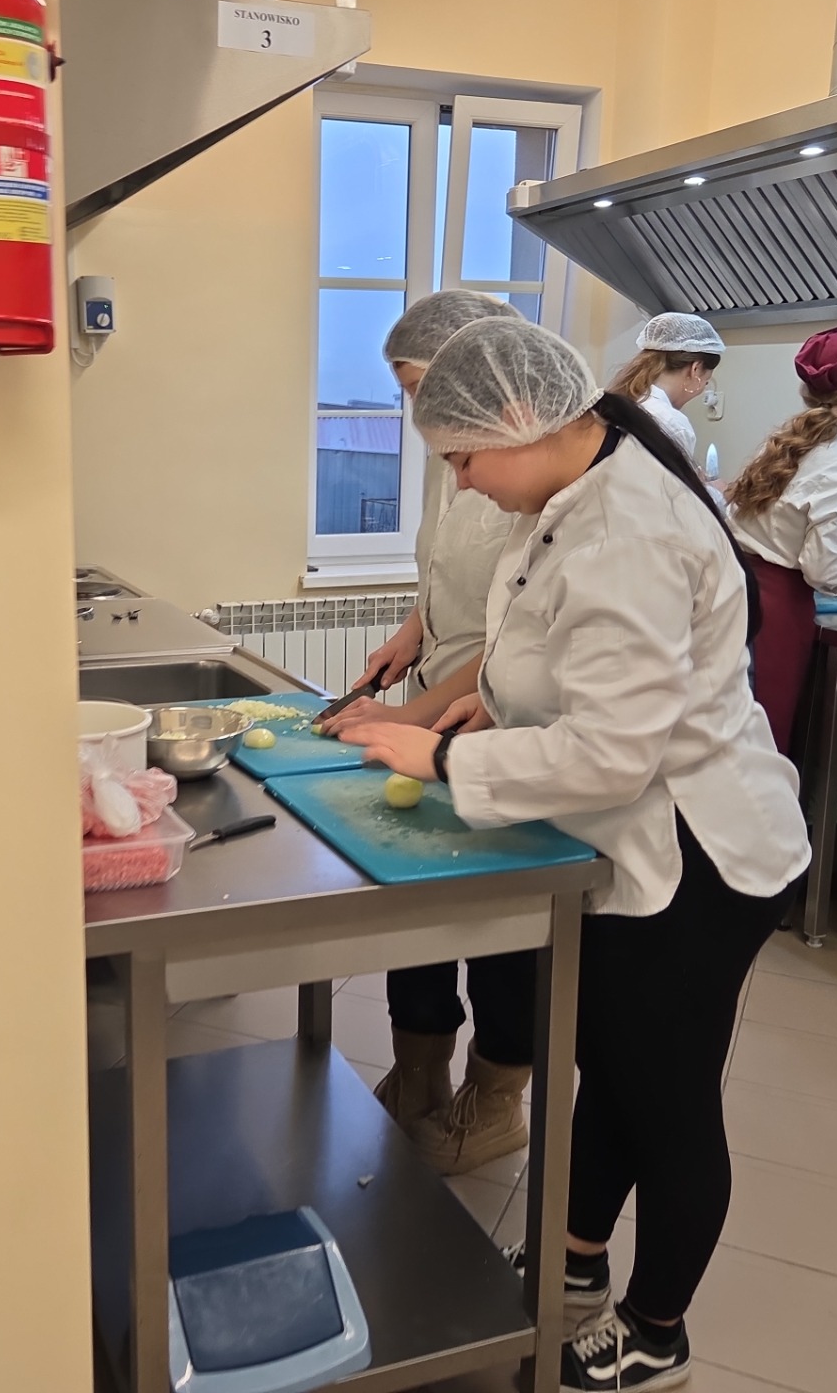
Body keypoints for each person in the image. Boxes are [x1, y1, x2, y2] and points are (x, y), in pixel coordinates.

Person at [338, 318, 809, 1391]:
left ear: (521, 418)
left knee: (666, 1098)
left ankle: (655, 1331)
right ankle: (575, 1262)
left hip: (700, 854)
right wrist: (481, 711)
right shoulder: (569, 497)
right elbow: (548, 661)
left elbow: (611, 751)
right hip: (625, 842)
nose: (461, 483)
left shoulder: (627, 530)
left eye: (463, 458)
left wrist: (442, 758)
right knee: (612, 1067)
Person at [328, 291, 533, 1176]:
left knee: (497, 926)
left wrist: (401, 721)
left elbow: (516, 635)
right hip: (435, 698)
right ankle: (418, 1076)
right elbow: (444, 574)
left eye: (422, 388)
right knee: (419, 904)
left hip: (499, 717)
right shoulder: (454, 467)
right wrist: (408, 635)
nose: (419, 412)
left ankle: (496, 1100)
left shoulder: (528, 476)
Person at [726, 324, 837, 756]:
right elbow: (823, 570)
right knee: (757, 743)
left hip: (730, 590)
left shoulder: (784, 444)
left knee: (723, 735)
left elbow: (782, 516)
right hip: (772, 612)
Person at [606, 312, 724, 466]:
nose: (702, 388)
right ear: (695, 369)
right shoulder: (672, 424)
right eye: (706, 381)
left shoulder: (622, 402)